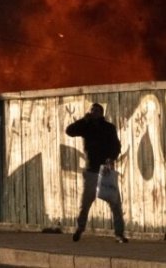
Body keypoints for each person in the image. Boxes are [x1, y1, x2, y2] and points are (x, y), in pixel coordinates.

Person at [65, 102, 127, 243]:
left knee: (115, 203)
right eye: (92, 110)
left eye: (97, 110)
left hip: (106, 170)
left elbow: (116, 146)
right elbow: (69, 131)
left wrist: (112, 158)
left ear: (102, 113)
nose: (94, 112)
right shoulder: (86, 126)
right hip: (91, 170)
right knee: (85, 202)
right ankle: (79, 229)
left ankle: (119, 233)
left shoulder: (109, 128)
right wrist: (84, 119)